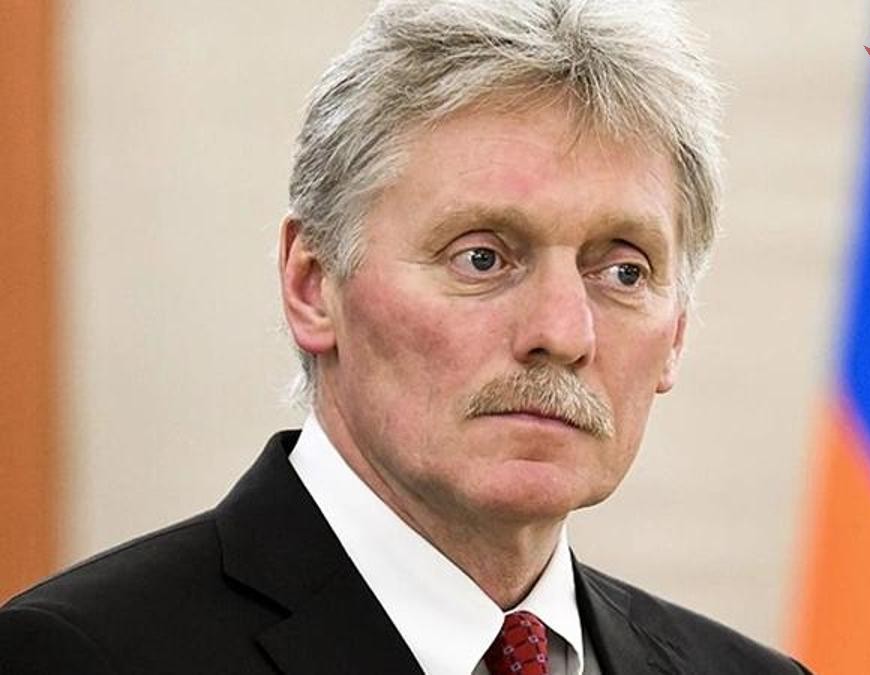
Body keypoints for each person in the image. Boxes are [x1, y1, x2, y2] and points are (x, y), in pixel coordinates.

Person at [0, 1, 811, 672]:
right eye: (483, 257)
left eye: (624, 271)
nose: (563, 332)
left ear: (677, 333)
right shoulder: (78, 656)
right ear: (313, 285)